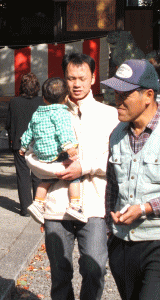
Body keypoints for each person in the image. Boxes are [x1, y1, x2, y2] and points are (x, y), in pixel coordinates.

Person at [25, 53, 118, 300]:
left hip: (95, 205)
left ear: (93, 78)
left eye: (82, 78)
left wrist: (84, 168)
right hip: (56, 206)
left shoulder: (109, 116)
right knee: (59, 273)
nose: (76, 84)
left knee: (95, 268)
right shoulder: (46, 113)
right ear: (63, 80)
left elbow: (115, 159)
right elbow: (31, 158)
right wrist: (59, 171)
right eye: (71, 78)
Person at [102, 59, 160, 300]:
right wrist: (110, 221)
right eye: (115, 92)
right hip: (122, 243)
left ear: (148, 95)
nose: (117, 99)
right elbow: (112, 186)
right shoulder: (117, 134)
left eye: (124, 93)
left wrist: (145, 208)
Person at [20, 77, 84, 224]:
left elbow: (29, 132)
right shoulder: (62, 113)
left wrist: (23, 147)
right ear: (67, 97)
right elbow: (63, 131)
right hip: (57, 154)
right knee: (74, 177)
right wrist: (69, 146)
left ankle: (37, 203)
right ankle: (75, 206)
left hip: (42, 154)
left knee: (46, 179)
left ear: (44, 98)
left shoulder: (37, 114)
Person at [6, 73, 43, 216]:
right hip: (38, 143)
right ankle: (38, 205)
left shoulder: (14, 102)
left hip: (19, 142)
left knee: (22, 175)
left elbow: (8, 123)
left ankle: (26, 208)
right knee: (38, 174)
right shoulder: (41, 102)